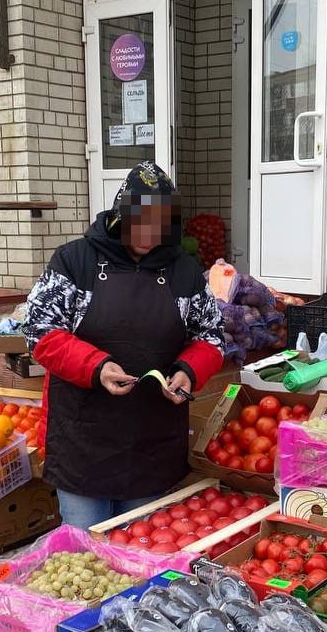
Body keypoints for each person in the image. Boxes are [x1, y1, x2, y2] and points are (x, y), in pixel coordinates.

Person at [23, 161, 225, 529]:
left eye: (159, 224)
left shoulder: (183, 270)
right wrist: (96, 367)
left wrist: (188, 371)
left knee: (141, 550)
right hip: (83, 440)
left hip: (152, 440)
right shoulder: (75, 261)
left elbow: (210, 336)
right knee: (84, 558)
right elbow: (41, 330)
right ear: (121, 213)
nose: (148, 234)